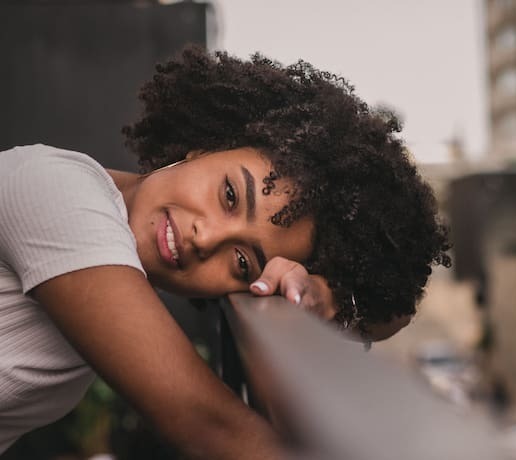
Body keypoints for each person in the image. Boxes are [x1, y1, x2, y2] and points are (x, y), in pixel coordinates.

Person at [0, 45, 451, 458]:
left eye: (242, 263)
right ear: (203, 150)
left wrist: (325, 294)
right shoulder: (57, 191)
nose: (206, 238)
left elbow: (391, 316)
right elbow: (207, 425)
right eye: (231, 195)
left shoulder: (108, 259)